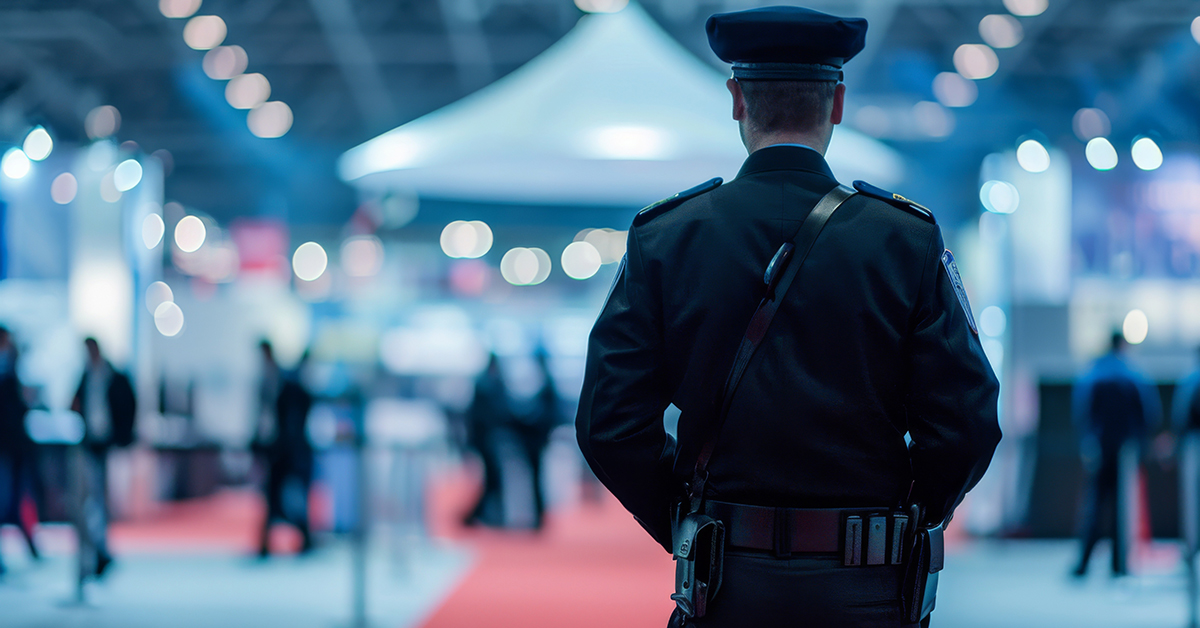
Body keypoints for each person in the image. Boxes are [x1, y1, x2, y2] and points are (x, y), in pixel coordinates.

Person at [575, 6, 1001, 627]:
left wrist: (687, 518)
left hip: (725, 586)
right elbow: (966, 419)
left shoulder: (666, 238)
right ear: (837, 105)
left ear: (736, 99)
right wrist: (904, 512)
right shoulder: (904, 239)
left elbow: (608, 424)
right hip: (866, 590)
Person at [1071, 332, 1161, 577]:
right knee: (1123, 507)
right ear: (1123, 345)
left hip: (1100, 447)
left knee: (1094, 505)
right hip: (1125, 450)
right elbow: (1149, 411)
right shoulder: (1132, 373)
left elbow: (1082, 408)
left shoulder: (1094, 372)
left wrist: (1088, 439)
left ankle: (1083, 564)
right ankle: (1119, 565)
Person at [70, 337, 137, 580]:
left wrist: (124, 435)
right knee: (91, 496)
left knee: (103, 497)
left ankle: (102, 547)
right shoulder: (85, 376)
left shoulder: (113, 376)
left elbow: (128, 404)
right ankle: (100, 549)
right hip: (89, 443)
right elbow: (74, 402)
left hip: (109, 443)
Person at [254, 347, 315, 556]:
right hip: (283, 451)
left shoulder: (289, 386)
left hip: (288, 452)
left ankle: (304, 539)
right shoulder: (281, 385)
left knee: (290, 497)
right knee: (276, 498)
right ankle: (269, 542)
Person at [0, 326, 38, 573]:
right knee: (7, 499)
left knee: (13, 497)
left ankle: (30, 545)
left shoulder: (11, 367)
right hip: (6, 445)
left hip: (12, 446)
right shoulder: (7, 370)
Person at [513, 349, 562, 530]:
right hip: (538, 438)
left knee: (537, 479)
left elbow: (544, 414)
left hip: (537, 439)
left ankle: (539, 517)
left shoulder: (546, 383)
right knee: (537, 479)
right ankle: (538, 516)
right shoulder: (545, 382)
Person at [464, 353, 511, 527]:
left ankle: (481, 515)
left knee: (491, 479)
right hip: (487, 440)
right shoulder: (489, 386)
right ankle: (480, 516)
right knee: (492, 479)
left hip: (485, 440)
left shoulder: (484, 384)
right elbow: (487, 416)